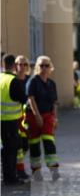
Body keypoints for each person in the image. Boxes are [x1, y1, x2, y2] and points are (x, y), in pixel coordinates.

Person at [26, 56, 59, 180]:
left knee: (49, 141)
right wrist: (37, 116)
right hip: (34, 115)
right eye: (41, 66)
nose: (44, 68)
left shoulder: (52, 84)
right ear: (36, 68)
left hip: (48, 115)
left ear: (51, 68)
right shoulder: (33, 81)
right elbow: (31, 99)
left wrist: (55, 118)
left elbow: (55, 102)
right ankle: (36, 171)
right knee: (34, 143)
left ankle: (54, 169)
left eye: (46, 66)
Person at [1, 54, 28, 186]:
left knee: (6, 149)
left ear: (3, 64)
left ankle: (8, 176)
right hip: (10, 121)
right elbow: (23, 99)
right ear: (13, 66)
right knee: (11, 150)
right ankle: (10, 178)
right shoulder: (13, 81)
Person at [13, 55, 32, 182]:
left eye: (25, 64)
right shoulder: (12, 80)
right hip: (14, 117)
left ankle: (17, 167)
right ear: (15, 66)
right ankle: (18, 170)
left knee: (25, 145)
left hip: (27, 118)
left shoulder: (30, 80)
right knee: (17, 145)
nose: (23, 67)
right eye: (20, 64)